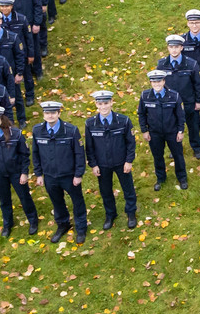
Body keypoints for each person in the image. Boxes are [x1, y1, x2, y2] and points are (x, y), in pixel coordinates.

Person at [30, 101, 87, 244]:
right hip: (50, 176)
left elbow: (79, 154)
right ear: (43, 115)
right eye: (47, 113)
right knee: (57, 202)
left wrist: (78, 174)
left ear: (59, 113)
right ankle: (63, 224)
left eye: (53, 113)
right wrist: (38, 174)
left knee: (77, 201)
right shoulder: (37, 131)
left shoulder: (71, 130)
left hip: (69, 176)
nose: (50, 116)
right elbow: (35, 153)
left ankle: (81, 228)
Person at [0, 106, 39, 236]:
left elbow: (24, 154)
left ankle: (33, 221)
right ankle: (7, 224)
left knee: (24, 197)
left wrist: (24, 173)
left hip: (16, 172)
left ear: (2, 118)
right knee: (4, 200)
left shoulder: (15, 134)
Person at [84, 91, 137, 230]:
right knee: (105, 190)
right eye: (100, 104)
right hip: (102, 164)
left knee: (128, 188)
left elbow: (130, 142)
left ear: (112, 102)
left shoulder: (123, 120)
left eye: (106, 103)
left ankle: (131, 212)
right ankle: (110, 214)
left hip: (121, 162)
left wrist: (129, 161)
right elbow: (89, 147)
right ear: (96, 104)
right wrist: (93, 164)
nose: (103, 107)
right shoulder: (90, 123)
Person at [137, 70, 189, 190]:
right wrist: (144, 130)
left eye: (159, 81)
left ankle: (182, 178)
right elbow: (141, 114)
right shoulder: (145, 96)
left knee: (178, 155)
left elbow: (180, 115)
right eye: (154, 82)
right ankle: (161, 178)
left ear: (164, 81)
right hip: (154, 133)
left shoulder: (174, 96)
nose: (157, 84)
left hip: (172, 132)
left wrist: (180, 131)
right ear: (150, 83)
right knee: (157, 156)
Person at [157, 34, 200, 157]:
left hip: (189, 101)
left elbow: (198, 83)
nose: (174, 50)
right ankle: (176, 149)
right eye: (171, 47)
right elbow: (158, 84)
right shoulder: (161, 65)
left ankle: (196, 147)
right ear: (168, 48)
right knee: (173, 128)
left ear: (181, 48)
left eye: (177, 47)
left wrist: (199, 100)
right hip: (171, 104)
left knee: (193, 126)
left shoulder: (191, 64)